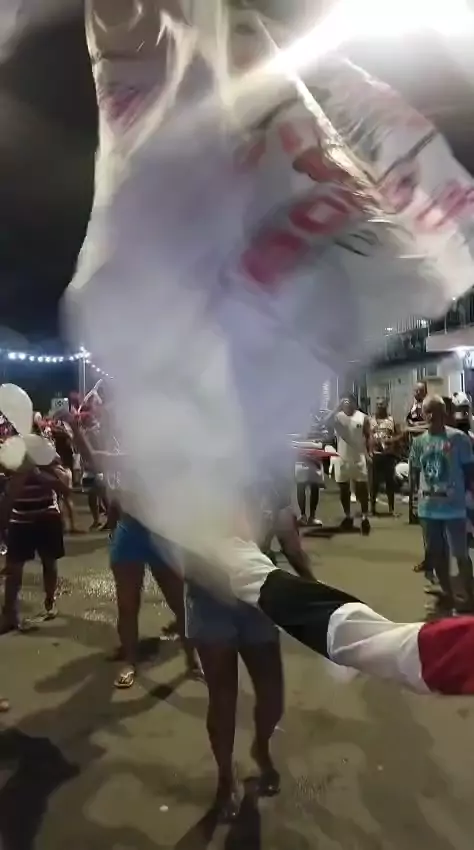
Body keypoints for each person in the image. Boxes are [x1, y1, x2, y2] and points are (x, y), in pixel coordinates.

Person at [410, 395, 474, 616]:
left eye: (436, 411)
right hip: (428, 509)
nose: (431, 416)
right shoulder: (419, 442)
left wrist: (468, 497)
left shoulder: (458, 439)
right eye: (427, 411)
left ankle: (468, 596)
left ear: (444, 413)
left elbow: (470, 471)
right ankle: (447, 594)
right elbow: (415, 472)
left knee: (460, 554)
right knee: (437, 554)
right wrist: (414, 499)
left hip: (454, 508)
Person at [0, 453, 70, 631]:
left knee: (49, 562)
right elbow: (8, 491)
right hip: (20, 518)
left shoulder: (47, 454)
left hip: (47, 516)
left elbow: (64, 486)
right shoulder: (11, 454)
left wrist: (38, 472)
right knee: (13, 568)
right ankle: (9, 615)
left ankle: (50, 600)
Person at [333, 395, 371, 535]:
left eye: (349, 402)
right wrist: (336, 408)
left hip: (358, 458)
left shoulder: (362, 417)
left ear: (355, 403)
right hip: (342, 458)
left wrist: (368, 453)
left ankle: (365, 517)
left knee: (362, 489)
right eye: (344, 402)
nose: (347, 404)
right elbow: (325, 422)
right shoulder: (338, 417)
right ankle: (347, 516)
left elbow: (368, 435)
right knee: (344, 489)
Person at [369, 398, 400, 516]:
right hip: (375, 455)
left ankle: (391, 508)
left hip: (388, 455)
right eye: (377, 404)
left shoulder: (391, 420)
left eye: (382, 404)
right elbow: (365, 436)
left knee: (389, 482)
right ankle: (372, 508)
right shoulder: (370, 420)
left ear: (386, 405)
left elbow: (399, 435)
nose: (379, 406)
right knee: (374, 483)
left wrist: (391, 441)